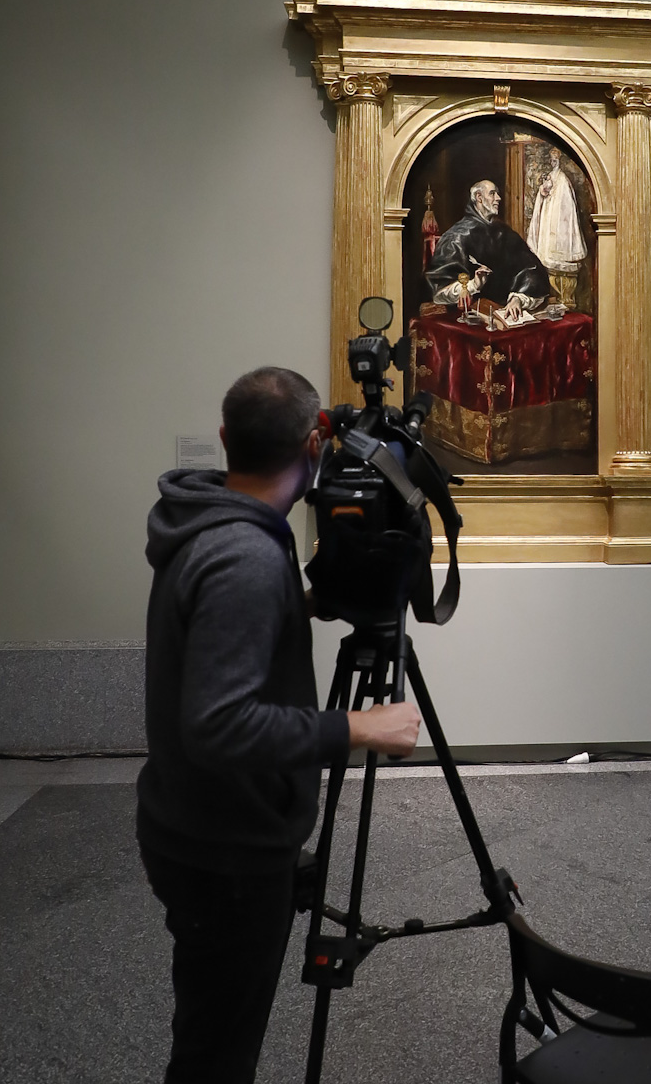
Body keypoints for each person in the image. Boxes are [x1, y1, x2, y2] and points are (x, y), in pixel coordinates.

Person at [136, 365, 421, 1084]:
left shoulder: (210, 524)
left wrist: (301, 603)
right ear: (314, 445)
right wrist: (358, 728)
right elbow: (220, 726)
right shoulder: (247, 559)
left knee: (208, 1031)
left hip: (191, 827)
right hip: (226, 854)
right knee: (215, 1058)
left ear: (225, 437)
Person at [425, 179, 550, 320]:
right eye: (492, 193)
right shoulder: (456, 237)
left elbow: (531, 268)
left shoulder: (505, 233)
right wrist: (474, 284)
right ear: (479, 197)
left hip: (510, 314)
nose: (498, 198)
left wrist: (518, 298)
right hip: (473, 317)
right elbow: (440, 289)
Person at [526, 147, 587, 309]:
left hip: (559, 222)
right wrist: (542, 192)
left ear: (559, 161)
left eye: (555, 160)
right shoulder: (550, 176)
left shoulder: (563, 180)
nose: (553, 163)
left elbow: (567, 206)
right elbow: (543, 196)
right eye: (551, 160)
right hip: (548, 218)